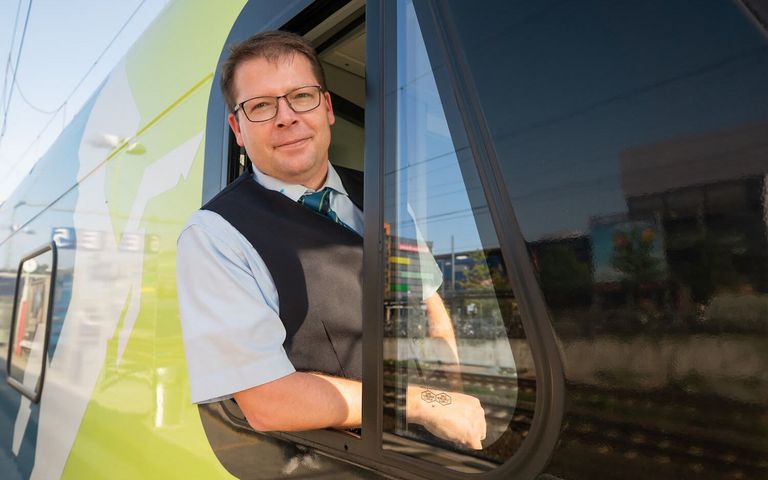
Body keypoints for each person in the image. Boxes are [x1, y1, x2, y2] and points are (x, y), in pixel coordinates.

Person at [176, 31, 486, 449]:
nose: (285, 117)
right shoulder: (215, 234)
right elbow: (268, 401)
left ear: (326, 107)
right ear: (237, 128)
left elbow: (429, 304)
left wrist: (453, 393)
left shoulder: (387, 196)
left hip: (428, 450)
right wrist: (428, 402)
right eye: (261, 106)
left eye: (301, 96)